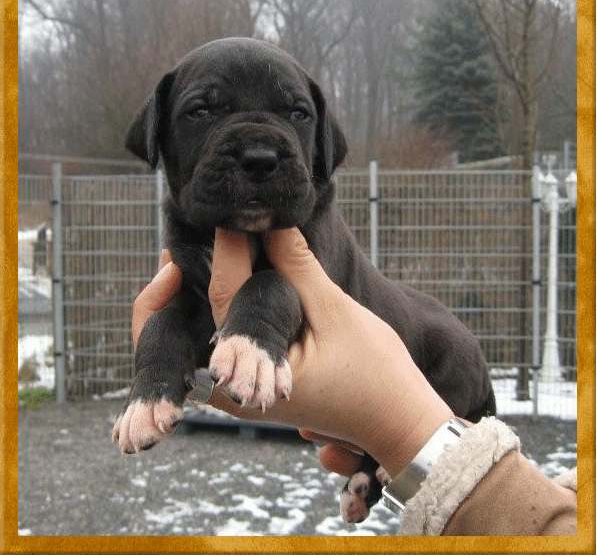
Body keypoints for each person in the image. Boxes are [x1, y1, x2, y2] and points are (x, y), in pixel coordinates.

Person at [132, 227, 577, 536]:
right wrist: (164, 362)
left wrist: (410, 431)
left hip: (446, 367)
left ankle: (373, 467)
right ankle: (373, 467)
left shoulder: (304, 234)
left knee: (445, 348)